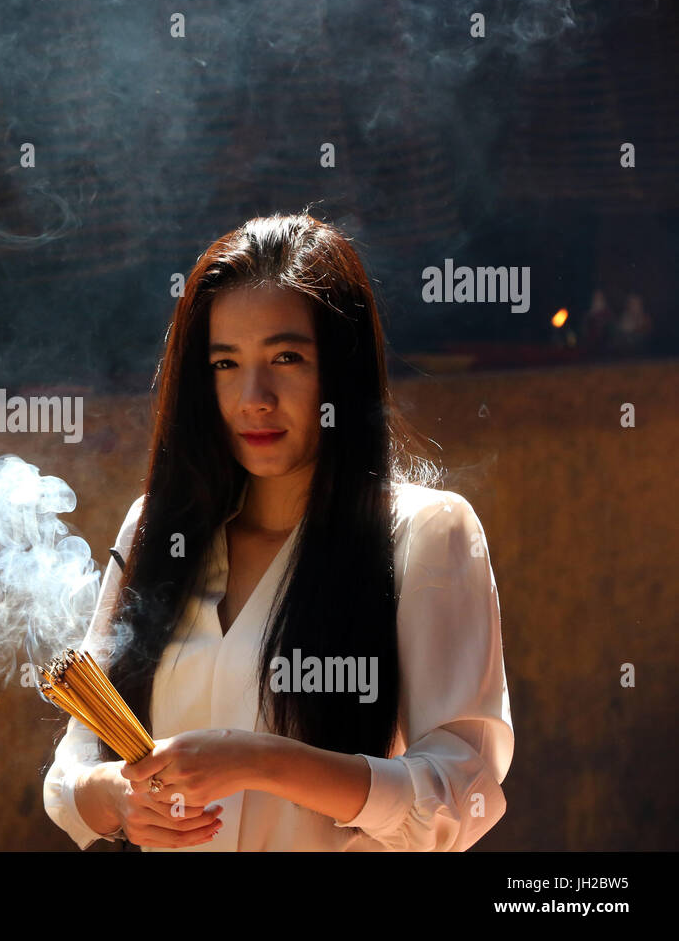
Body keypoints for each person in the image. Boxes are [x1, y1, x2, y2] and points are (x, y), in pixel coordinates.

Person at [42, 211, 514, 851]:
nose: (253, 397)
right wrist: (122, 799)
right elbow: (72, 766)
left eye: (287, 357)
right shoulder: (157, 527)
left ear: (339, 373)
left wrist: (259, 760)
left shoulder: (426, 534)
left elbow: (462, 796)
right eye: (225, 363)